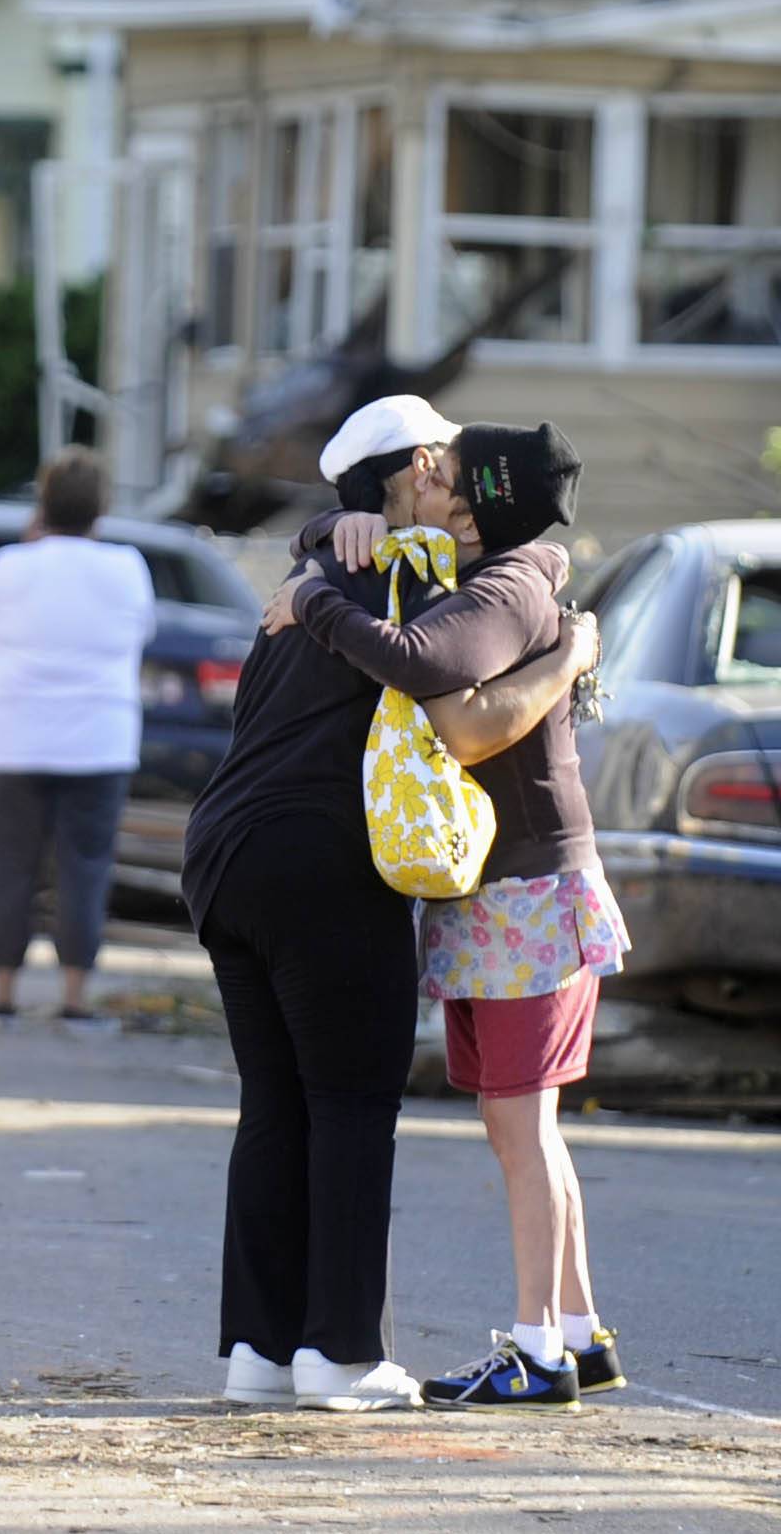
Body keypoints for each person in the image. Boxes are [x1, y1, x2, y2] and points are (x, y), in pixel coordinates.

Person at [178, 399, 595, 1413]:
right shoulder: (420, 573)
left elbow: (323, 563)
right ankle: (342, 1357)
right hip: (322, 863)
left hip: (222, 852)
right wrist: (566, 628)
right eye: (445, 468)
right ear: (417, 466)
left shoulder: (309, 575)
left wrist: (321, 535)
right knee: (353, 1107)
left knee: (272, 1107)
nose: (453, 489)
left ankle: (257, 1351)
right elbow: (495, 610)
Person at [0, 446, 159, 1026]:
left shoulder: (8, 564)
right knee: (84, 866)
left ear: (41, 502)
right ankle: (75, 996)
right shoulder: (127, 566)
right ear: (101, 508)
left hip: (10, 737)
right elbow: (144, 632)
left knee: (9, 866)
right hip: (98, 740)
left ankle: (4, 991)